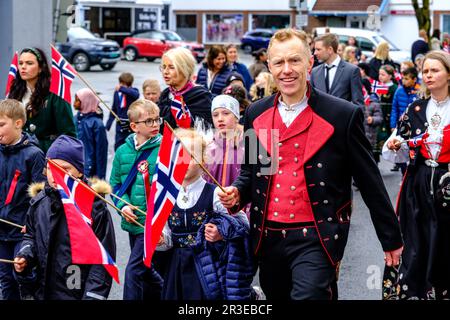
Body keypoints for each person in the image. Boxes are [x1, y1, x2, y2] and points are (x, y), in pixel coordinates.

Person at [218, 28, 403, 300]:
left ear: (310, 63)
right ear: (270, 66)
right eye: (279, 62)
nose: (287, 70)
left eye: (295, 60)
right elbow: (253, 173)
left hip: (317, 236)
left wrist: (391, 239)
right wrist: (237, 192)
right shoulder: (256, 113)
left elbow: (370, 182)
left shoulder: (342, 114)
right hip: (268, 238)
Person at [13, 135, 116, 300]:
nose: (56, 175)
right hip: (43, 290)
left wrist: (92, 296)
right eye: (51, 167)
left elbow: (102, 263)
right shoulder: (39, 203)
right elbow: (30, 237)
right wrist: (25, 256)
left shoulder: (94, 208)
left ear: (80, 171)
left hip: (74, 288)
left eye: (65, 169)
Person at [383, 50, 450, 300]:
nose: (428, 75)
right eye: (425, 71)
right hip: (418, 185)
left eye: (435, 70)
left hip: (448, 185)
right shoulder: (416, 108)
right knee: (416, 243)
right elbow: (395, 148)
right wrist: (396, 143)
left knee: (444, 243)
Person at [161, 128, 252, 300]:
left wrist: (221, 233)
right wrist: (160, 240)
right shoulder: (167, 195)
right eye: (178, 156)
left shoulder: (215, 193)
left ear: (203, 160)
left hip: (208, 267)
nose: (183, 162)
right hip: (176, 267)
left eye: (190, 156)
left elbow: (243, 225)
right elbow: (167, 238)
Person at [110, 99, 164, 300]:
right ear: (134, 126)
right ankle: (168, 292)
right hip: (134, 221)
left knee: (134, 270)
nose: (155, 124)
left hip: (153, 222)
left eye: (157, 119)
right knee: (146, 269)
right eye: (148, 121)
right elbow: (115, 185)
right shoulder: (122, 151)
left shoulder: (165, 150)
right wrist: (123, 206)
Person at [0, 99, 45, 300]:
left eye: (1, 124)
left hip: (21, 230)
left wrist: (31, 223)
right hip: (1, 229)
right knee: (5, 280)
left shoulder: (34, 155)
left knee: (22, 276)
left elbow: (39, 197)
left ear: (18, 123)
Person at [8, 47, 76, 153]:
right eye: (20, 63)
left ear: (40, 68)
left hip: (47, 155)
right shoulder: (15, 92)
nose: (23, 67)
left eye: (29, 63)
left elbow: (68, 135)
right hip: (18, 156)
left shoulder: (55, 94)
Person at [158, 47, 213, 129]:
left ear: (185, 69)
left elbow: (203, 130)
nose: (165, 72)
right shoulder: (166, 94)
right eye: (164, 67)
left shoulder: (201, 96)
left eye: (172, 67)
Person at [311, 33, 364, 106]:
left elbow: (358, 103)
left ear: (330, 50)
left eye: (318, 49)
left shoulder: (351, 71)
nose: (315, 53)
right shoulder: (315, 72)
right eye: (314, 49)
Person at [205, 95, 244, 187]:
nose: (220, 119)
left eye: (226, 113)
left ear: (236, 117)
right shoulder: (208, 146)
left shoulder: (248, 145)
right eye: (215, 115)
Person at [73, 88, 108, 180]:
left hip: (89, 171)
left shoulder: (97, 124)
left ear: (86, 101)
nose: (74, 103)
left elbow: (101, 153)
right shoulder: (75, 119)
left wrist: (100, 178)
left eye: (78, 100)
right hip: (74, 166)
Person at [106, 72, 140, 151]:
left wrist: (122, 89)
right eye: (120, 83)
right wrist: (109, 123)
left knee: (131, 146)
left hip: (130, 124)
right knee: (118, 146)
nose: (120, 85)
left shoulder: (133, 92)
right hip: (120, 124)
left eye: (123, 84)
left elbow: (136, 95)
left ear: (129, 85)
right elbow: (114, 108)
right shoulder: (117, 93)